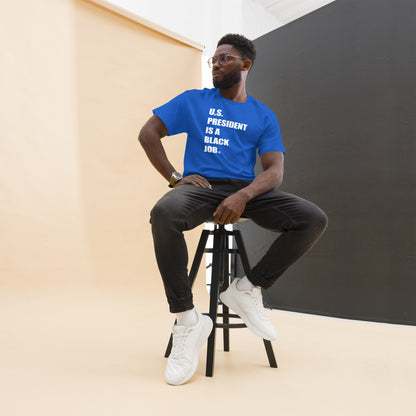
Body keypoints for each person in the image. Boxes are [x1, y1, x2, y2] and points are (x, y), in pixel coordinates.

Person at [139, 33, 328, 385]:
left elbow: (274, 171)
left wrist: (243, 196)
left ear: (245, 64)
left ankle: (246, 288)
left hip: (246, 190)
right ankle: (187, 320)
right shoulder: (194, 101)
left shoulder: (263, 115)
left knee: (312, 219)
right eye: (213, 59)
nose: (216, 63)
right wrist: (175, 177)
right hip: (203, 188)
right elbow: (148, 132)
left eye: (224, 58)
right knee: (163, 214)